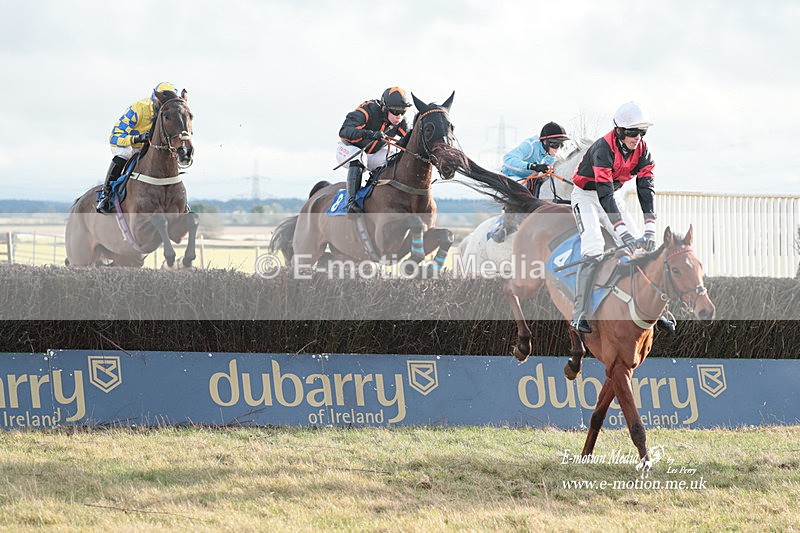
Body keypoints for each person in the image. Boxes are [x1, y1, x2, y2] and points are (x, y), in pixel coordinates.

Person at [568, 101, 675, 334]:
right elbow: (603, 193)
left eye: (642, 132)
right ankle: (579, 314)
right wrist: (621, 231)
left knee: (639, 250)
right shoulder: (602, 149)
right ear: (619, 131)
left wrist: (650, 228)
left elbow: (646, 190)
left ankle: (659, 312)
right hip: (586, 196)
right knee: (594, 248)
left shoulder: (644, 151)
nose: (637, 137)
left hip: (611, 197)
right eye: (632, 132)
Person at [96, 81, 177, 213]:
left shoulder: (171, 113)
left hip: (150, 146)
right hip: (128, 144)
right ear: (155, 100)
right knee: (125, 154)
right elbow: (115, 136)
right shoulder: (138, 108)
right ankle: (106, 194)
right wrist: (135, 139)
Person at [337, 86, 412, 214]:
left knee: (393, 159)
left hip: (373, 153)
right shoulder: (367, 110)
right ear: (384, 107)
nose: (398, 116)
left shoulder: (400, 121)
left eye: (402, 112)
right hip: (348, 149)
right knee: (359, 157)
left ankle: (374, 194)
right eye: (395, 111)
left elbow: (410, 138)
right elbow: (344, 132)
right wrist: (371, 134)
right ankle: (351, 202)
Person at [490, 122, 569, 242]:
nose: (557, 148)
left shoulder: (551, 155)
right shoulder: (530, 145)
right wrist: (533, 166)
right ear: (544, 141)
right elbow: (508, 159)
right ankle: (505, 226)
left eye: (560, 145)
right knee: (520, 189)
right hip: (511, 175)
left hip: (531, 177)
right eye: (554, 144)